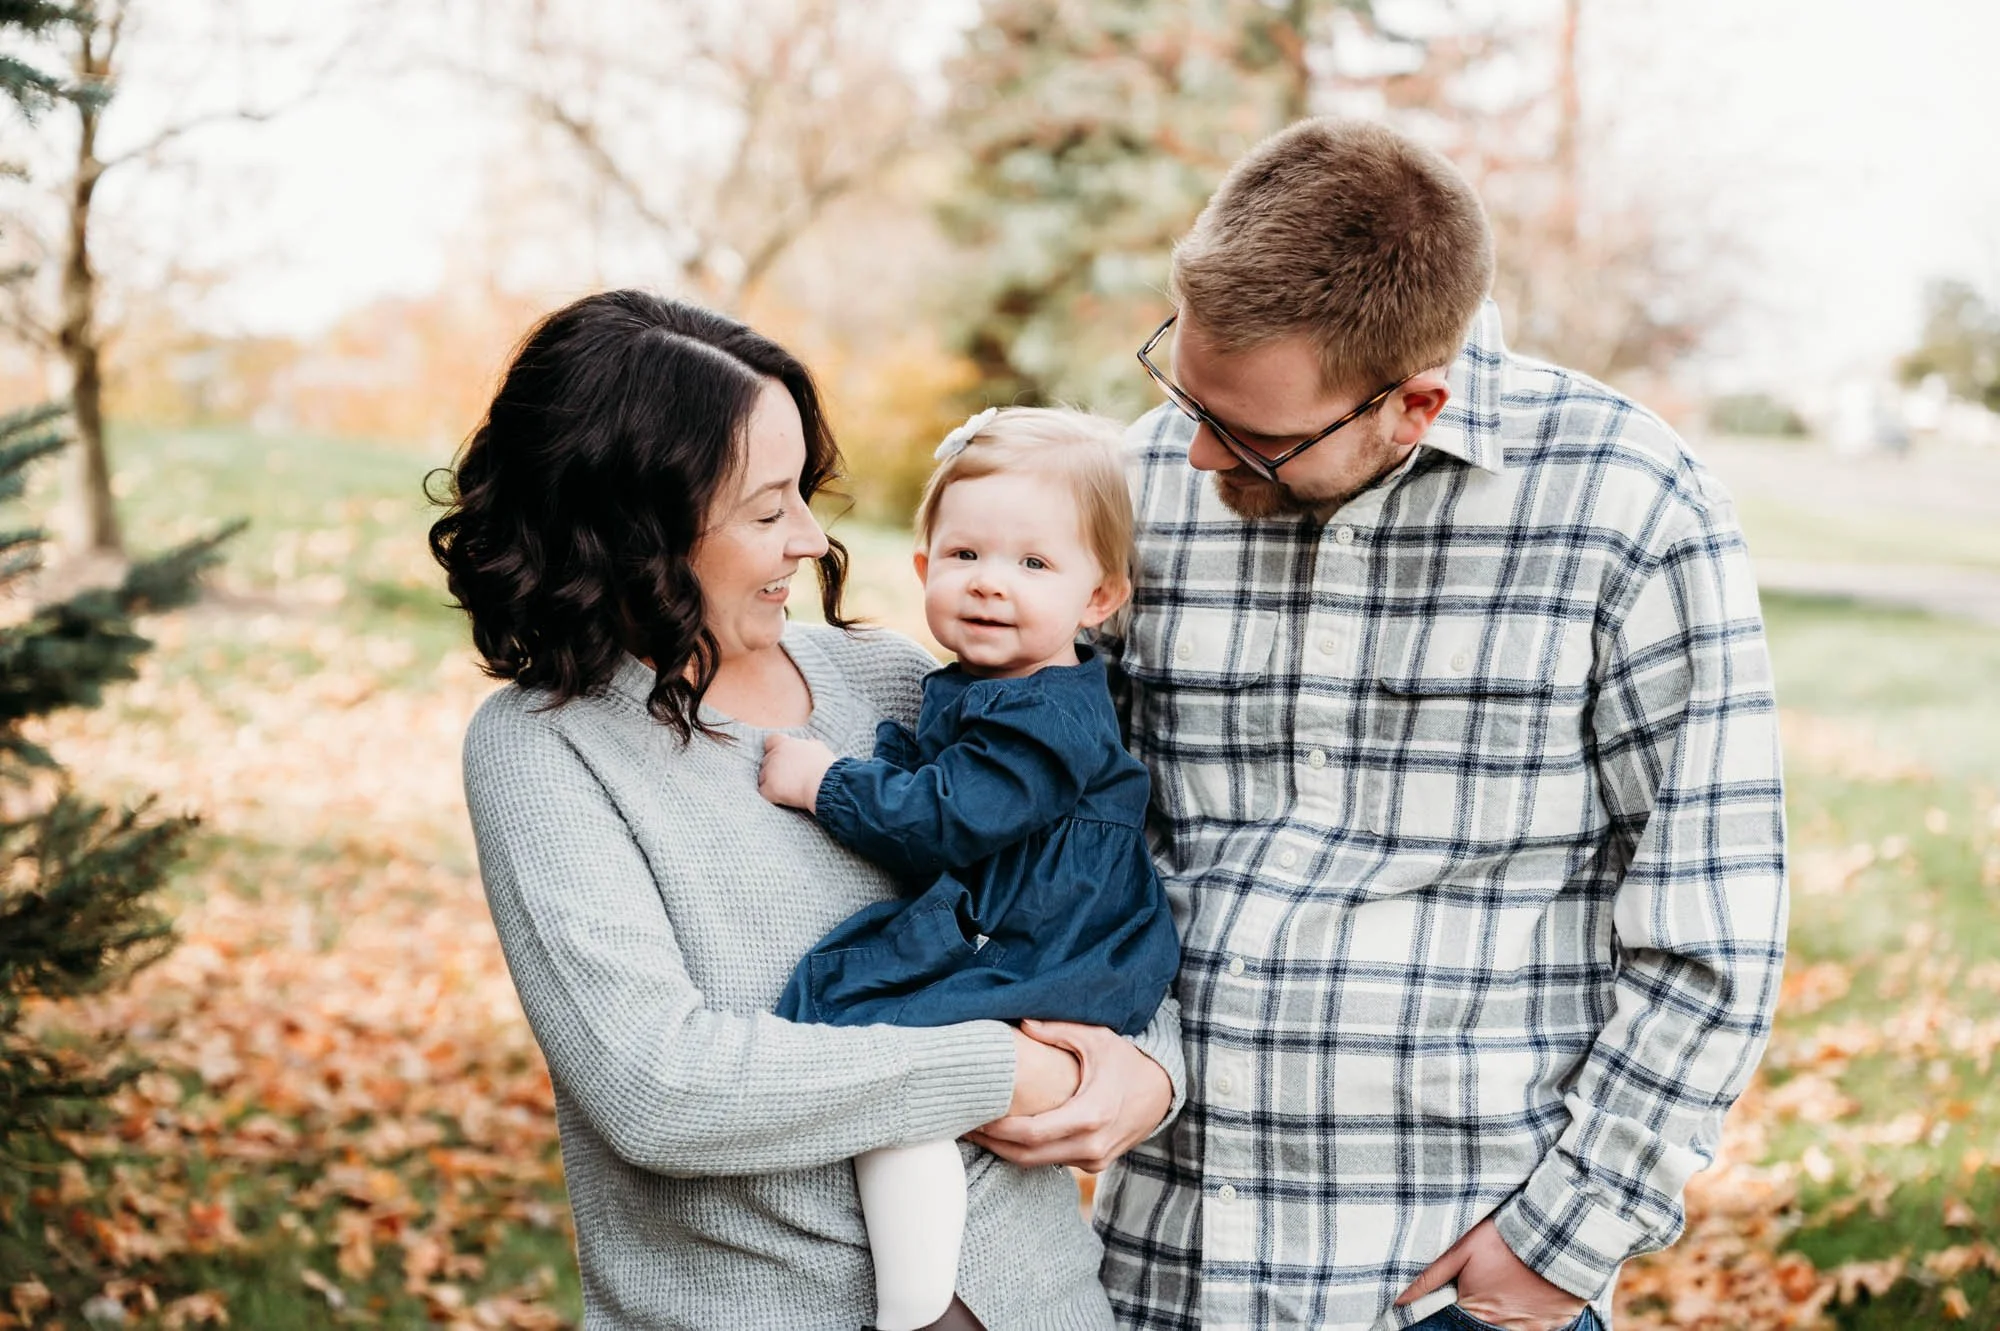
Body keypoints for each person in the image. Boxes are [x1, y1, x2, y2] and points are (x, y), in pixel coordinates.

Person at [1068, 118, 1787, 1330]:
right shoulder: (1143, 487)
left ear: (1412, 404)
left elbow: (1711, 924)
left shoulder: (1627, 504)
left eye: (1246, 432)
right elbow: (1070, 824)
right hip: (1154, 1266)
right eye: (1181, 389)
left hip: (1443, 1282)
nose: (1190, 450)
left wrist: (1560, 1245)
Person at [427, 290, 1186, 1331]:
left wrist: (1147, 1068)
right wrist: (1001, 1066)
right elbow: (662, 1086)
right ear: (636, 525)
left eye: (806, 492)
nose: (812, 536)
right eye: (768, 506)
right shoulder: (549, 748)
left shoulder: (887, 677)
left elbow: (1076, 889)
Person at [758, 407, 1183, 1331]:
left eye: (1034, 564)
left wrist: (828, 781)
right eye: (965, 556)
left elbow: (951, 818)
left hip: (1050, 944)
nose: (992, 585)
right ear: (923, 569)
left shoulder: (1045, 716)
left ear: (1099, 597)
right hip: (1031, 928)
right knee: (884, 1049)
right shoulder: (999, 688)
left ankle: (919, 1307)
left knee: (884, 1040)